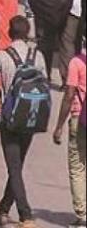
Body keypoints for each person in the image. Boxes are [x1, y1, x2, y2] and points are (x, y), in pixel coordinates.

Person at [0, 15, 45, 228]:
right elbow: (44, 82)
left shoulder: (2, 56)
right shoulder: (38, 56)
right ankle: (2, 208)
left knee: (14, 167)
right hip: (31, 118)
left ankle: (26, 215)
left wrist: (1, 94)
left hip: (9, 119)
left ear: (10, 32)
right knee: (17, 166)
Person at [52, 44, 86, 228]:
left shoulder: (77, 63)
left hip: (79, 119)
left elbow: (69, 95)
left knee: (77, 167)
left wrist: (59, 126)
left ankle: (82, 215)